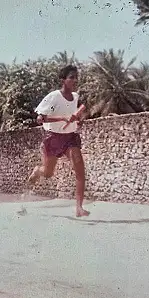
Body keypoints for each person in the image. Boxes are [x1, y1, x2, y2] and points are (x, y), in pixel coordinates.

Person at [28, 64, 90, 217]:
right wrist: (62, 118)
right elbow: (40, 119)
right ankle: (38, 171)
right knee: (48, 173)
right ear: (63, 80)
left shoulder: (75, 97)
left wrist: (78, 117)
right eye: (71, 77)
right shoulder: (54, 96)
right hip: (53, 138)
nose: (75, 80)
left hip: (70, 138)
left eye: (76, 77)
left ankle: (79, 208)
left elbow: (80, 109)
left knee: (80, 170)